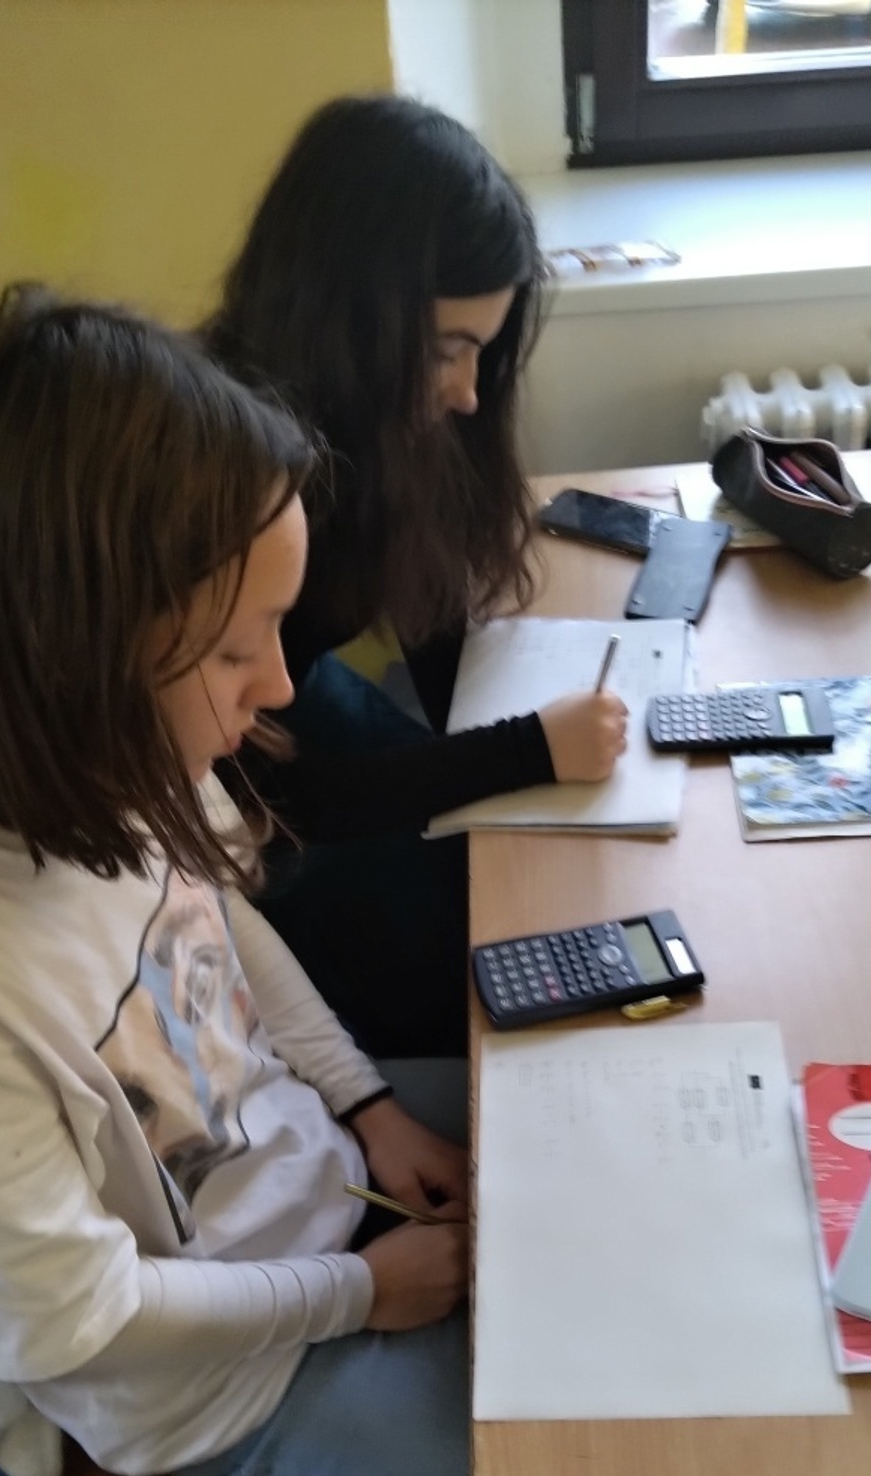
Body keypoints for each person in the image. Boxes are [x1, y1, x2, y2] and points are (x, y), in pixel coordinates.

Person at [0, 286, 471, 1476]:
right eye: (236, 651)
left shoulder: (77, 738)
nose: (279, 684)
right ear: (74, 652)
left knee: (604, 1139)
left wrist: (365, 1101)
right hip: (214, 1376)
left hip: (315, 1171)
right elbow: (74, 1320)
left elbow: (217, 912)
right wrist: (360, 1293)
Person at [204, 95, 628, 1058]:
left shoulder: (372, 413)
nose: (470, 392)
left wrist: (491, 731)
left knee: (519, 857)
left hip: (302, 718)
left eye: (483, 350)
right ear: (348, 322)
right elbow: (265, 798)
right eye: (447, 352)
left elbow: (429, 596)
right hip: (248, 797)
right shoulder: (234, 479)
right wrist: (521, 750)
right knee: (497, 958)